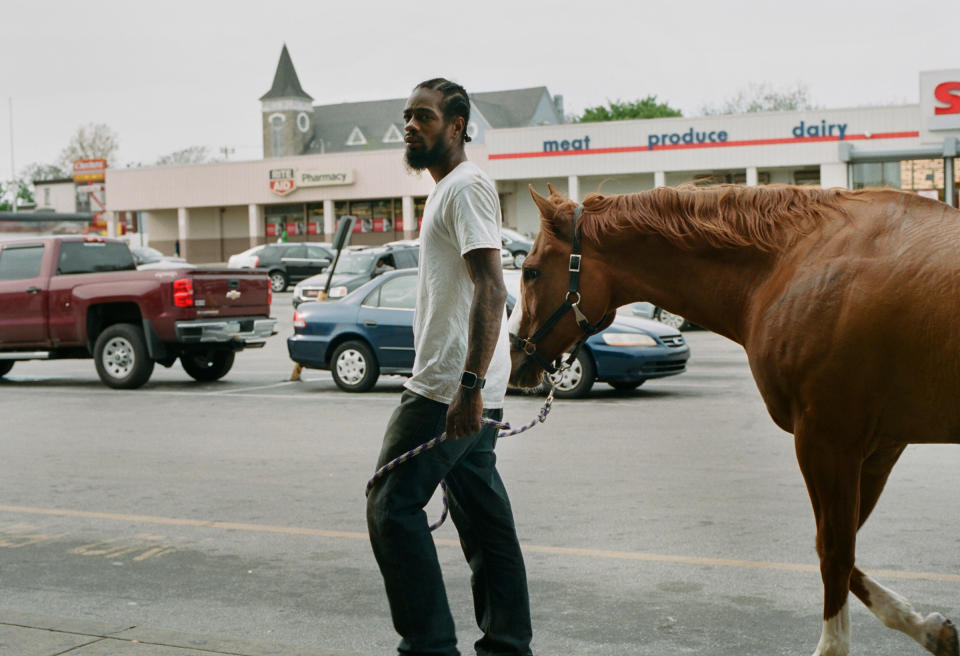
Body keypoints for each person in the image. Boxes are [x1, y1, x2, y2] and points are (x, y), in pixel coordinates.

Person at [366, 78, 533, 656]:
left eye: (425, 117)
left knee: (390, 506)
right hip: (467, 384)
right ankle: (508, 644)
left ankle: (429, 646)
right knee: (484, 519)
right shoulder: (448, 190)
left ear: (457, 126)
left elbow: (492, 289)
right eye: (407, 117)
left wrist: (467, 386)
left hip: (446, 387)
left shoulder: (466, 187)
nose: (411, 126)